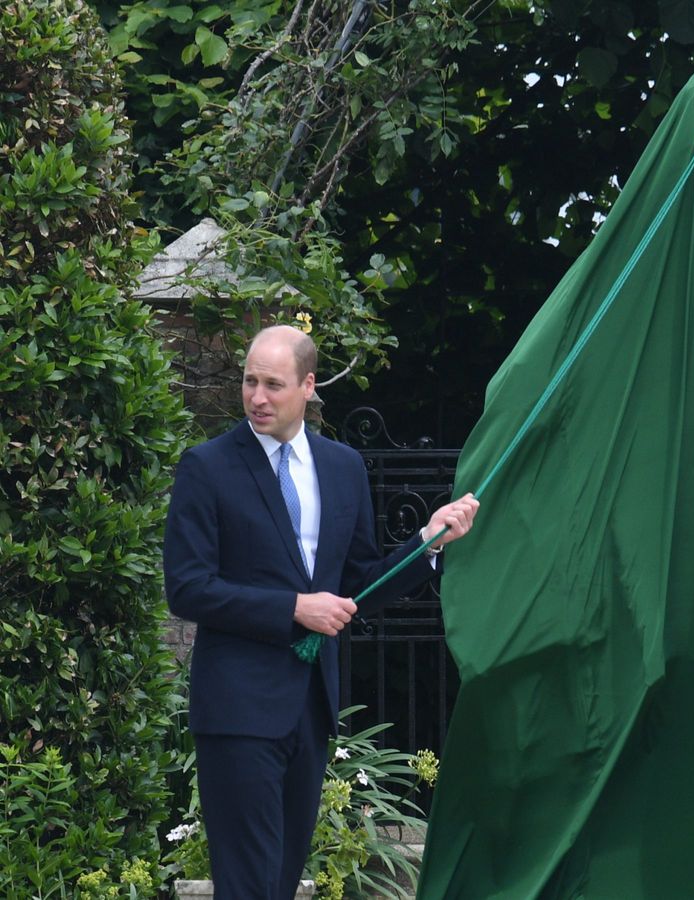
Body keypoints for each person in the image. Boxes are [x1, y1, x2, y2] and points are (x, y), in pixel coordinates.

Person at [164, 324, 479, 898]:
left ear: (308, 386)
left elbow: (359, 583)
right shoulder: (206, 467)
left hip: (310, 709)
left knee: (280, 883)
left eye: (273, 385)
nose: (257, 397)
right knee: (249, 885)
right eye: (249, 382)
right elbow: (187, 589)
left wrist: (427, 543)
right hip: (236, 707)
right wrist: (293, 608)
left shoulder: (343, 467)